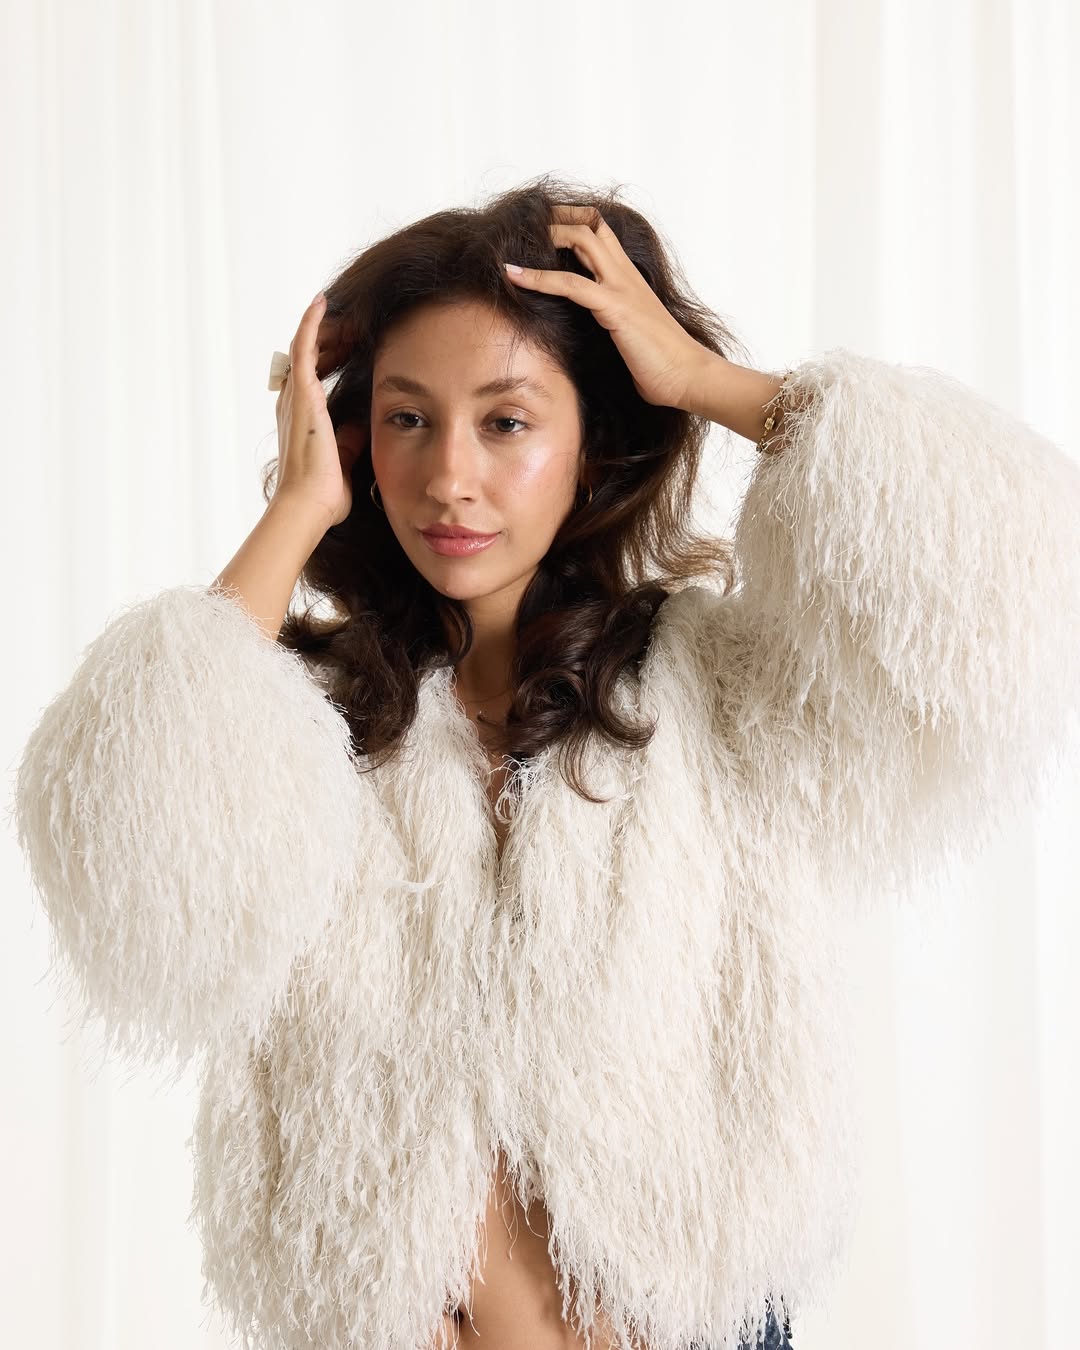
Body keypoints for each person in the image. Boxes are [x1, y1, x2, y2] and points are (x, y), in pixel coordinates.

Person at [13, 175, 1080, 1350]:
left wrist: (701, 381)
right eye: (407, 419)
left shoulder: (722, 696)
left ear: (594, 448)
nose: (448, 476)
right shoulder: (300, 729)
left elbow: (1000, 584)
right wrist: (299, 509)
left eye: (507, 422)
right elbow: (127, 856)